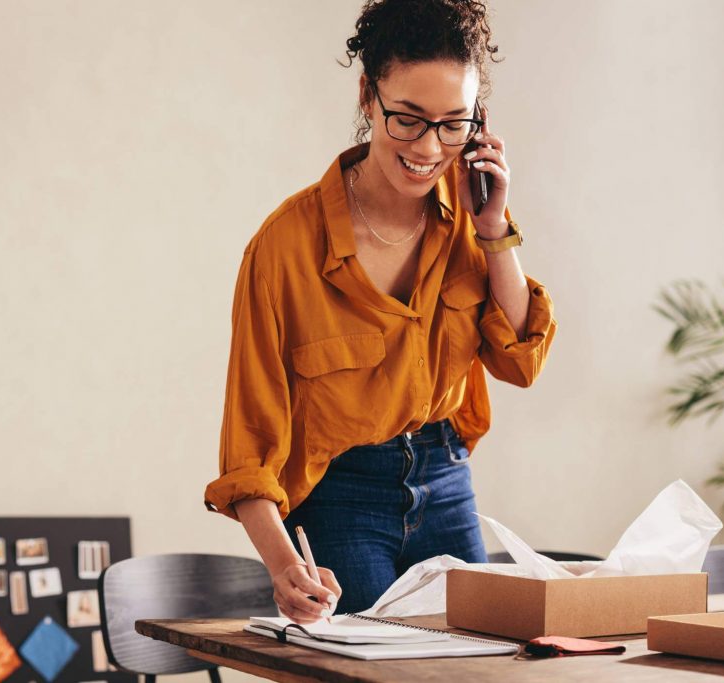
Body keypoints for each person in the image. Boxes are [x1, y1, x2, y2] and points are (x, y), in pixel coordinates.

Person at [204, 0, 556, 621]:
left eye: (455, 124)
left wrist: (495, 226)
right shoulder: (285, 248)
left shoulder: (471, 217)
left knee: (478, 665)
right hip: (343, 497)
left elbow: (521, 361)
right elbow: (249, 448)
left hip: (446, 479)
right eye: (408, 119)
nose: (429, 147)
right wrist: (286, 568)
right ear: (368, 95)